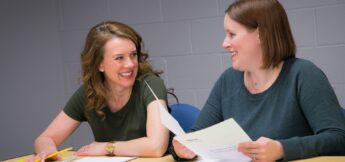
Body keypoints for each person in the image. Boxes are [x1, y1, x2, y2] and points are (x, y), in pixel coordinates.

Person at [170, 0, 345, 161]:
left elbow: (338, 138)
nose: (224, 43)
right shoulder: (227, 80)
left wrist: (282, 149)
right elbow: (195, 137)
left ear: (261, 34)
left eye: (232, 34)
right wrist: (180, 149)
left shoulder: (304, 74)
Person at [27, 21, 169, 162]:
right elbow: (45, 138)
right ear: (99, 64)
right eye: (119, 58)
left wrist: (107, 148)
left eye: (133, 55)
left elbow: (156, 146)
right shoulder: (89, 92)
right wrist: (47, 149)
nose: (130, 64)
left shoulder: (150, 84)